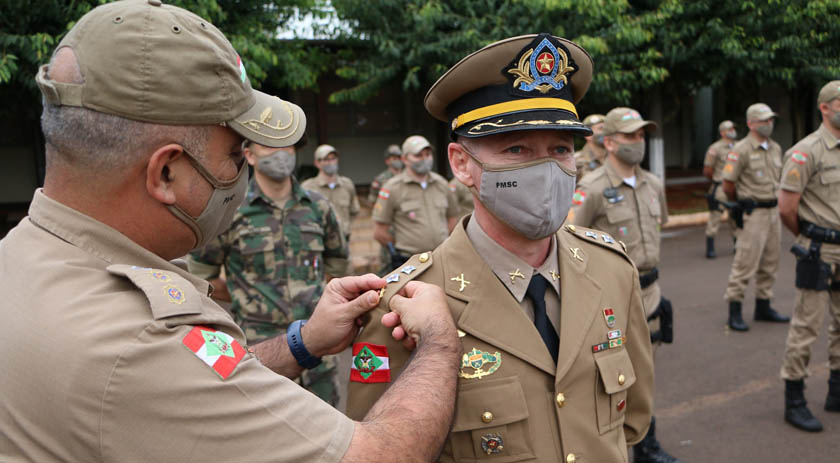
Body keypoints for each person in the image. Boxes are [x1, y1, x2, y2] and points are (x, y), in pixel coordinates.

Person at [0, 1, 462, 461]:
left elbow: (196, 382)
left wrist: (303, 342)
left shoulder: (23, 257)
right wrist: (439, 343)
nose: (242, 170)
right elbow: (380, 457)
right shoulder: (140, 339)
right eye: (237, 154)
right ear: (166, 173)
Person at [349, 33, 654, 462]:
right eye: (517, 148)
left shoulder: (612, 270)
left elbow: (633, 422)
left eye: (561, 149)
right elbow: (377, 452)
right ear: (461, 164)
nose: (547, 169)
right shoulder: (400, 304)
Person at [187, 137, 349, 405]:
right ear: (249, 155)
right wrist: (245, 295)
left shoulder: (318, 207)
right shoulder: (230, 212)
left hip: (318, 344)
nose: (281, 154)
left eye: (287, 146)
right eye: (270, 146)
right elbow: (202, 275)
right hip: (261, 352)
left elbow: (337, 263)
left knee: (328, 435)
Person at [571, 107, 680, 463]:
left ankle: (646, 446)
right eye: (631, 136)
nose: (638, 143)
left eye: (642, 135)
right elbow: (571, 241)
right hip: (608, 298)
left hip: (649, 291)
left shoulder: (653, 184)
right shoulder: (592, 188)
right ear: (610, 142)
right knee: (610, 379)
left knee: (646, 374)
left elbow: (657, 229)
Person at [777, 81, 840, 432]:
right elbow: (787, 208)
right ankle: (795, 400)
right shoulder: (806, 151)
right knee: (806, 326)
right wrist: (808, 236)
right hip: (819, 248)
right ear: (825, 108)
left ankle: (836, 390)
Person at [721, 103, 790, 331]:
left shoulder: (775, 148)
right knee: (745, 263)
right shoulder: (740, 150)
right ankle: (735, 310)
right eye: (763, 121)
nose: (768, 124)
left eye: (770, 120)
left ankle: (763, 306)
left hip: (772, 211)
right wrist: (739, 204)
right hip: (753, 212)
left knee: (770, 262)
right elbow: (728, 184)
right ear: (751, 123)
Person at [372, 134, 459, 271]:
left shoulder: (441, 184)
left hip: (441, 259)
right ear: (405, 159)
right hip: (410, 263)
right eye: (418, 155)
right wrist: (402, 249)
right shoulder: (393, 187)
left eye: (428, 154)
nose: (425, 159)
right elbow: (380, 233)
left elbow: (453, 218)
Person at [301, 144, 360, 241]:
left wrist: (345, 226)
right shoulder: (308, 187)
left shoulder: (347, 184)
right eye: (326, 160)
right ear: (317, 163)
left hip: (343, 239)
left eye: (333, 159)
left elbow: (354, 211)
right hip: (318, 239)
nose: (331, 162)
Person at [703, 120, 739, 258]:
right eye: (729, 129)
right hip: (720, 186)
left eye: (733, 128)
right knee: (715, 216)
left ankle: (737, 245)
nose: (732, 131)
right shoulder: (715, 148)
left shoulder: (739, 146)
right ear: (722, 132)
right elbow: (707, 170)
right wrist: (717, 179)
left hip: (735, 187)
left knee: (735, 216)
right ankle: (710, 247)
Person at [574, 113, 607, 180]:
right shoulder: (576, 161)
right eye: (601, 128)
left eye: (607, 129)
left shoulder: (616, 158)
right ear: (588, 135)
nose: (606, 132)